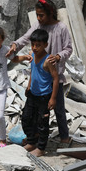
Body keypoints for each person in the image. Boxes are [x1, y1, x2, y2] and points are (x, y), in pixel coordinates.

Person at [6, 0, 72, 144]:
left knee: (59, 108)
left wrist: (58, 56)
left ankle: (64, 137)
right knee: (36, 110)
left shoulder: (61, 28)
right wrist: (15, 46)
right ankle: (35, 136)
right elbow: (25, 38)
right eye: (37, 15)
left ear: (50, 13)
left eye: (41, 15)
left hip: (54, 76)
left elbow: (68, 49)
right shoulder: (38, 26)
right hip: (39, 78)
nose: (39, 18)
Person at [22, 29, 59, 157]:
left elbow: (55, 78)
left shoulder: (48, 60)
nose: (35, 47)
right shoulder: (32, 55)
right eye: (33, 44)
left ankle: (41, 148)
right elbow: (33, 71)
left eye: (38, 45)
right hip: (33, 94)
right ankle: (32, 141)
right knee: (26, 118)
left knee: (43, 123)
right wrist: (29, 85)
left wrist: (53, 98)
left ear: (45, 45)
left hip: (44, 96)